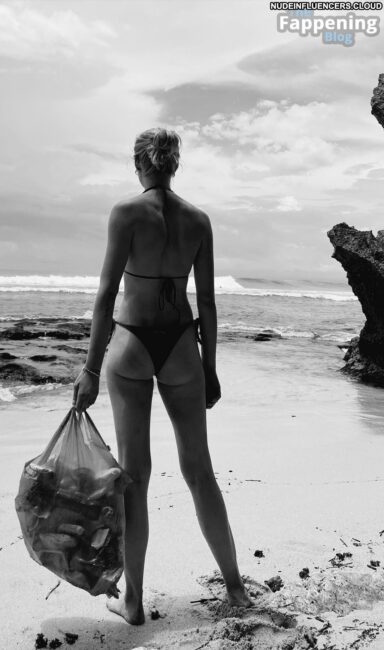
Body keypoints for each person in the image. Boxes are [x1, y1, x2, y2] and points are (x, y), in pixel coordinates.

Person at [72, 127, 253, 625]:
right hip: (181, 347)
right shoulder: (198, 220)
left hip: (131, 344)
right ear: (175, 166)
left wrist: (90, 369)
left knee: (134, 478)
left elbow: (106, 296)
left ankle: (133, 602)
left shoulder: (125, 213)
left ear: (139, 165)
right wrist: (210, 368)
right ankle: (236, 590)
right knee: (200, 472)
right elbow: (208, 303)